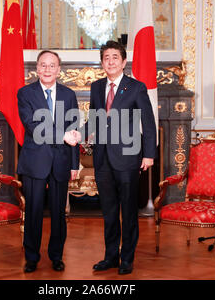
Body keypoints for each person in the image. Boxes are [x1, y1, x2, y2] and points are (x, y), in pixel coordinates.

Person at [66, 40, 157, 274]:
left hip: (128, 157)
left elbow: (148, 121)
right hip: (103, 158)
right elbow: (95, 119)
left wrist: (148, 155)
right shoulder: (97, 87)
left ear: (124, 61)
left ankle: (127, 258)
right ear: (102, 63)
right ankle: (110, 256)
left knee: (128, 210)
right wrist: (79, 134)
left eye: (115, 57)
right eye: (106, 57)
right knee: (107, 211)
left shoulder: (136, 87)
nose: (111, 61)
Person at [17, 50, 79, 273]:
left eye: (52, 65)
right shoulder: (25, 93)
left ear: (59, 70)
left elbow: (72, 130)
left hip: (61, 161)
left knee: (58, 213)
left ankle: (56, 256)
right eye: (43, 65)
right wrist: (61, 136)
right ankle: (32, 257)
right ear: (36, 68)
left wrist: (74, 164)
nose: (47, 69)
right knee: (33, 211)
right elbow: (33, 126)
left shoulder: (68, 94)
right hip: (35, 161)